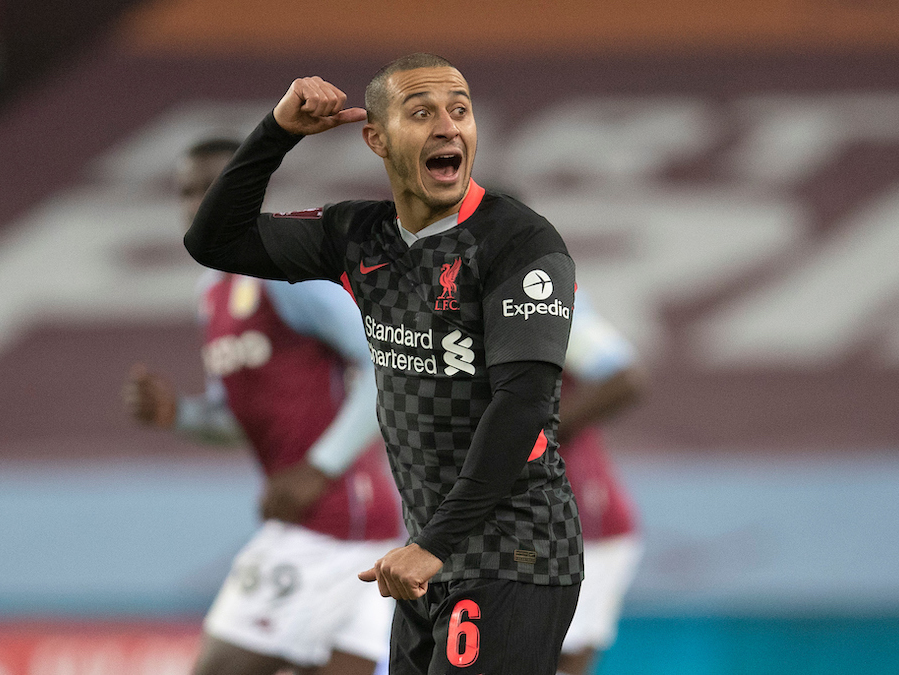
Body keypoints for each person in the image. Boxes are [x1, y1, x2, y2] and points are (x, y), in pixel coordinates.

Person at [184, 53, 582, 675]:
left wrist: (432, 544)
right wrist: (278, 133)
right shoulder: (359, 236)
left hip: (515, 555)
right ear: (377, 138)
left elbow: (523, 405)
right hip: (422, 563)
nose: (448, 127)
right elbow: (213, 241)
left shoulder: (519, 241)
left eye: (460, 111)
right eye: (421, 113)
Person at [124, 137, 403, 675]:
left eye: (214, 187)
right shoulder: (214, 294)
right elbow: (238, 416)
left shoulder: (285, 273)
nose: (199, 203)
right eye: (188, 192)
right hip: (338, 519)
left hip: (329, 519)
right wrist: (178, 415)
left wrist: (317, 470)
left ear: (248, 188)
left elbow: (386, 364)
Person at [556, 290, 647, 675]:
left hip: (577, 516)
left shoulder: (534, 291)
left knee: (556, 658)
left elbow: (622, 378)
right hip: (490, 516)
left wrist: (527, 436)